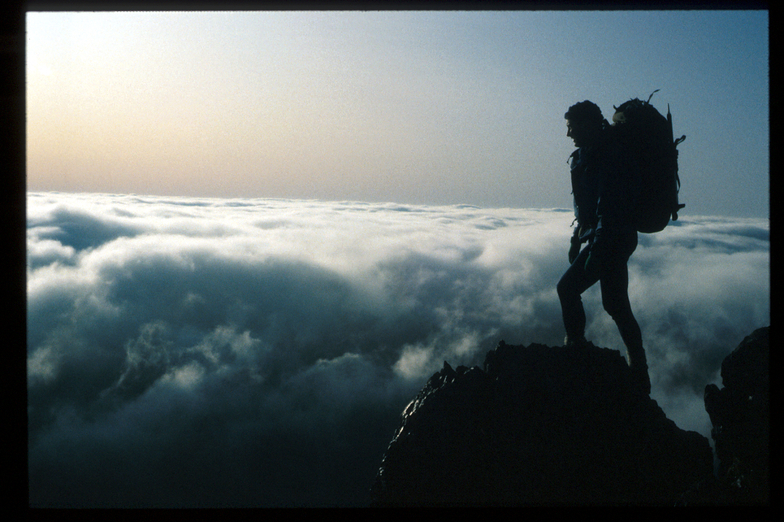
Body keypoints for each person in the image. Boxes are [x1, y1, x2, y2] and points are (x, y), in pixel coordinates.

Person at [557, 100, 651, 394]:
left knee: (567, 289)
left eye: (572, 127)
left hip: (612, 239)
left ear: (587, 125)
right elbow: (587, 207)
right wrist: (578, 239)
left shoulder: (612, 155)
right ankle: (639, 370)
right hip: (609, 238)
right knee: (616, 305)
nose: (569, 134)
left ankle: (576, 346)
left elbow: (609, 208)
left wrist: (595, 250)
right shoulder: (589, 155)